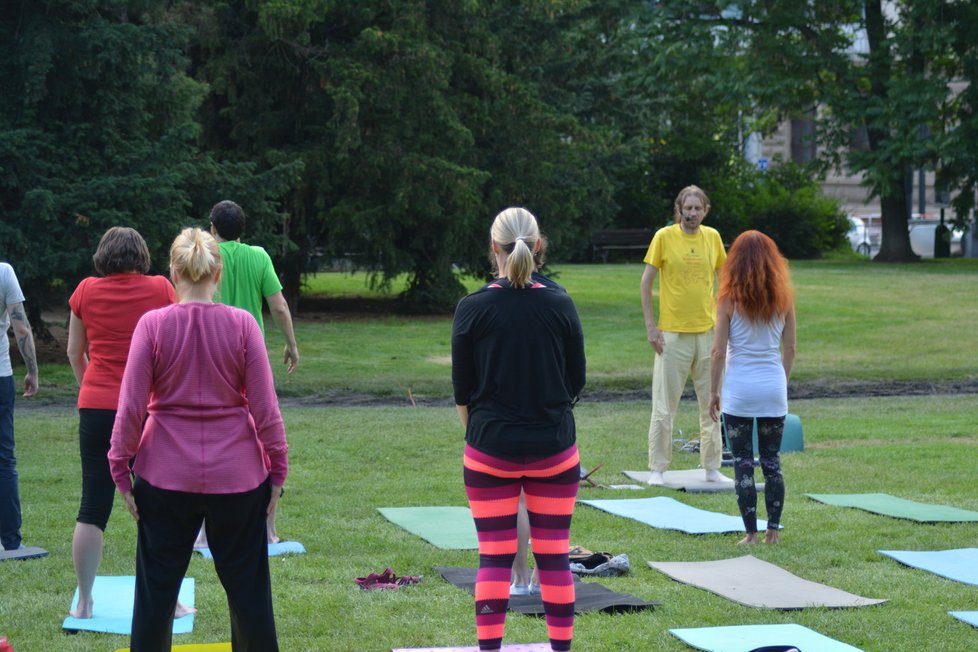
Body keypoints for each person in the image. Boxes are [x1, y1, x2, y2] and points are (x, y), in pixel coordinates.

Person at [108, 227, 288, 651]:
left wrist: (120, 470)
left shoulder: (152, 325)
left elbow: (131, 407)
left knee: (155, 598)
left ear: (173, 271)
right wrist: (277, 472)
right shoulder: (243, 324)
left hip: (164, 476)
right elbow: (266, 410)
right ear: (217, 272)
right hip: (238, 478)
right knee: (250, 597)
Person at [452, 207, 586, 652]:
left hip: (490, 448)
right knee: (554, 556)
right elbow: (576, 381)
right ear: (539, 245)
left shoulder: (472, 308)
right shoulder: (560, 303)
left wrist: (479, 442)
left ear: (494, 248)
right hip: (554, 447)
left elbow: (462, 391)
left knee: (493, 557)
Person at [66, 227, 180, 619]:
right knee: (159, 503)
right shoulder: (161, 288)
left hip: (96, 408)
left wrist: (94, 391)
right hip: (146, 408)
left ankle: (84, 602)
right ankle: (171, 601)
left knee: (92, 506)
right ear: (142, 255)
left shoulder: (85, 291)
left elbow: (74, 352)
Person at [208, 199, 296, 546]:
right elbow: (279, 305)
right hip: (251, 359)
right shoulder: (258, 256)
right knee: (266, 439)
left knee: (211, 435)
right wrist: (291, 344)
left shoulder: (207, 257)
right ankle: (268, 528)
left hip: (212, 357)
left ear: (213, 227)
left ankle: (204, 530)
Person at [708, 230, 796, 545]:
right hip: (772, 387)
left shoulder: (728, 299)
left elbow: (718, 352)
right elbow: (791, 350)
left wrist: (713, 391)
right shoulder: (784, 298)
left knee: (743, 462)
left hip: (739, 390)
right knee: (771, 461)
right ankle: (773, 530)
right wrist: (780, 384)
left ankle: (751, 533)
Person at [640, 185, 727, 485]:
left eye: (697, 208)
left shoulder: (713, 238)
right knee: (665, 406)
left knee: (713, 402)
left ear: (705, 210)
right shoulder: (664, 237)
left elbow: (724, 282)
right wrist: (652, 327)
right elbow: (645, 283)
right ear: (679, 209)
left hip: (707, 333)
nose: (692, 214)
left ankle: (712, 467)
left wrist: (725, 329)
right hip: (673, 336)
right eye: (687, 208)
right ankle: (657, 469)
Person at [0, 261, 38, 551]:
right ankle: (11, 542)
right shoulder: (4, 272)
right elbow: (21, 327)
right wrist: (32, 371)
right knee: (4, 460)